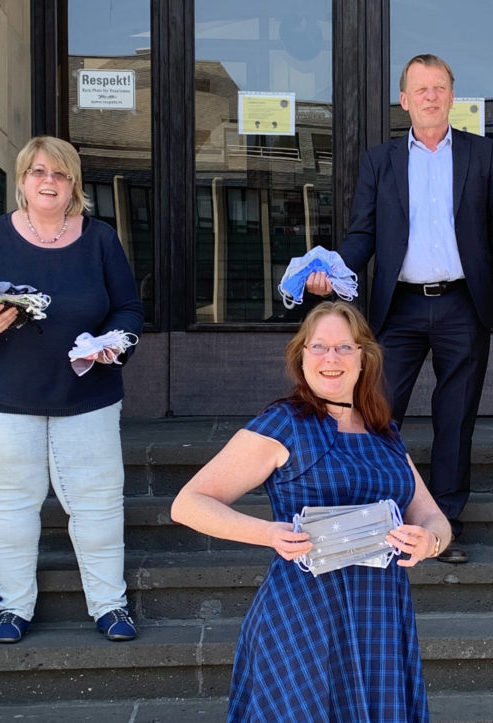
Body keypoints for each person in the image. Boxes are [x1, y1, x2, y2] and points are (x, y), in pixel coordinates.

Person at [306, 54, 493, 563]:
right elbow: (362, 234)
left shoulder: (482, 156)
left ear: (452, 96)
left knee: (455, 417)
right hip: (399, 308)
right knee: (378, 411)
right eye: (421, 89)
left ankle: (445, 526)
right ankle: (378, 515)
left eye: (439, 87)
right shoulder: (380, 161)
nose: (431, 96)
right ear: (404, 100)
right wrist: (334, 272)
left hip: (463, 303)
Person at [170, 301, 451, 722]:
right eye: (318, 347)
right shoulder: (283, 424)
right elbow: (188, 504)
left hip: (380, 619)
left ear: (363, 359)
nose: (330, 359)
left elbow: (433, 517)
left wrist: (430, 541)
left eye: (344, 348)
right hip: (304, 617)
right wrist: (268, 534)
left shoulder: (385, 432)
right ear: (301, 357)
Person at [0, 136, 144, 644]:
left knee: (98, 504)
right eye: (37, 172)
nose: (48, 181)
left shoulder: (100, 239)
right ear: (23, 181)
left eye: (60, 173)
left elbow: (129, 311)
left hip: (86, 397)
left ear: (74, 184)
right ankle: (13, 607)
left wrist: (112, 344)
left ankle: (109, 606)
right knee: (10, 505)